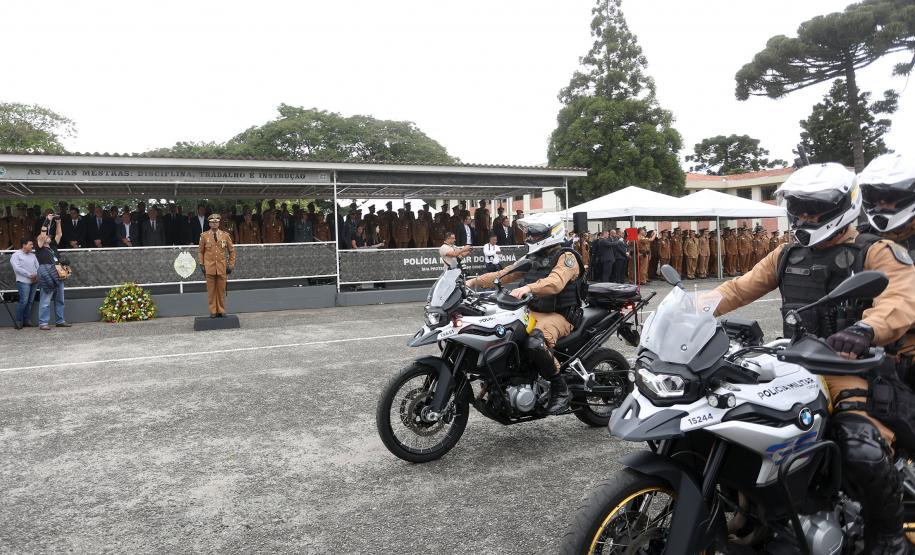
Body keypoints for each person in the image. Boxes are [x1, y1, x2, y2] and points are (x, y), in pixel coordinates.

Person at [713, 163, 915, 553]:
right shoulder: (786, 254)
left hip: (850, 367)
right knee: (732, 423)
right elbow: (737, 289)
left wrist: (865, 329)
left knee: (861, 446)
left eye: (815, 209)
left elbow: (901, 300)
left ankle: (888, 538)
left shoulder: (876, 250)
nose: (805, 217)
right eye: (800, 208)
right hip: (794, 363)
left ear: (843, 206)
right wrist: (688, 309)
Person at [467, 213, 584, 414]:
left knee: (534, 342)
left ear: (552, 233)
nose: (531, 238)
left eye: (536, 234)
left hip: (560, 315)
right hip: (533, 311)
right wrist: (472, 282)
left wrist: (529, 287)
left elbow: (555, 282)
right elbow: (503, 274)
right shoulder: (533, 257)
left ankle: (560, 388)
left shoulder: (567, 257)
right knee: (501, 334)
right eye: (530, 234)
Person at [197, 214, 236, 318]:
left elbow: (232, 251)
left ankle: (221, 310)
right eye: (212, 222)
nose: (214, 224)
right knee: (211, 291)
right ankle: (213, 310)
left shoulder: (225, 235)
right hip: (209, 267)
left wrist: (231, 264)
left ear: (219, 223)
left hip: (221, 267)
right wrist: (201, 264)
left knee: (221, 290)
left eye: (216, 222)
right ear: (209, 223)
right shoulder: (204, 236)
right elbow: (200, 251)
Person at [34, 223, 70, 331]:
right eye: (46, 236)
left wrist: (58, 222)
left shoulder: (52, 246)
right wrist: (47, 221)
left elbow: (59, 234)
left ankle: (60, 321)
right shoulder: (39, 247)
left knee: (60, 300)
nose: (48, 236)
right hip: (47, 275)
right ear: (41, 239)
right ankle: (43, 323)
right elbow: (42, 235)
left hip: (58, 275)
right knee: (45, 301)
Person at [10, 238, 38, 329]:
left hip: (34, 281)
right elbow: (17, 268)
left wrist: (36, 275)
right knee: (24, 301)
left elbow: (38, 266)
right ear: (24, 245)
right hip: (23, 282)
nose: (32, 246)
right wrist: (30, 275)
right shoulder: (16, 255)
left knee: (30, 302)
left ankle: (27, 321)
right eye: (30, 244)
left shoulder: (33, 255)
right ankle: (18, 321)